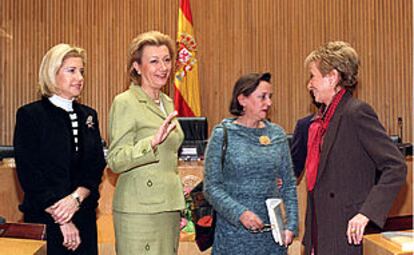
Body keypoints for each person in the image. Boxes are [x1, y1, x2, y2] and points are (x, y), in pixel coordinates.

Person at [303, 41, 407, 255]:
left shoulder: (356, 113)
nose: (309, 84)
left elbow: (395, 166)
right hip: (321, 232)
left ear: (331, 77)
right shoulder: (324, 119)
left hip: (345, 232)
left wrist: (366, 213)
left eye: (312, 76)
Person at [13, 43, 106, 254]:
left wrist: (76, 199)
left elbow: (95, 166)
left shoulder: (88, 115)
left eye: (81, 71)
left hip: (84, 219)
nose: (79, 78)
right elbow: (30, 174)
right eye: (71, 71)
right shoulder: (30, 115)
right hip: (45, 220)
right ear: (52, 74)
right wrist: (63, 220)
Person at [107, 31, 185, 255]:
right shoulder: (126, 102)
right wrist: (150, 143)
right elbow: (115, 160)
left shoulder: (168, 102)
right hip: (139, 211)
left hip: (168, 207)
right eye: (154, 61)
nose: (163, 67)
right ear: (137, 67)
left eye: (167, 60)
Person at [204, 72, 298, 255]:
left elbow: (289, 184)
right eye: (262, 97)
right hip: (233, 237)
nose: (268, 102)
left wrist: (291, 225)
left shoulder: (277, 135)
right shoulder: (222, 134)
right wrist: (241, 214)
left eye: (270, 97)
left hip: (273, 239)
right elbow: (211, 187)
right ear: (242, 99)